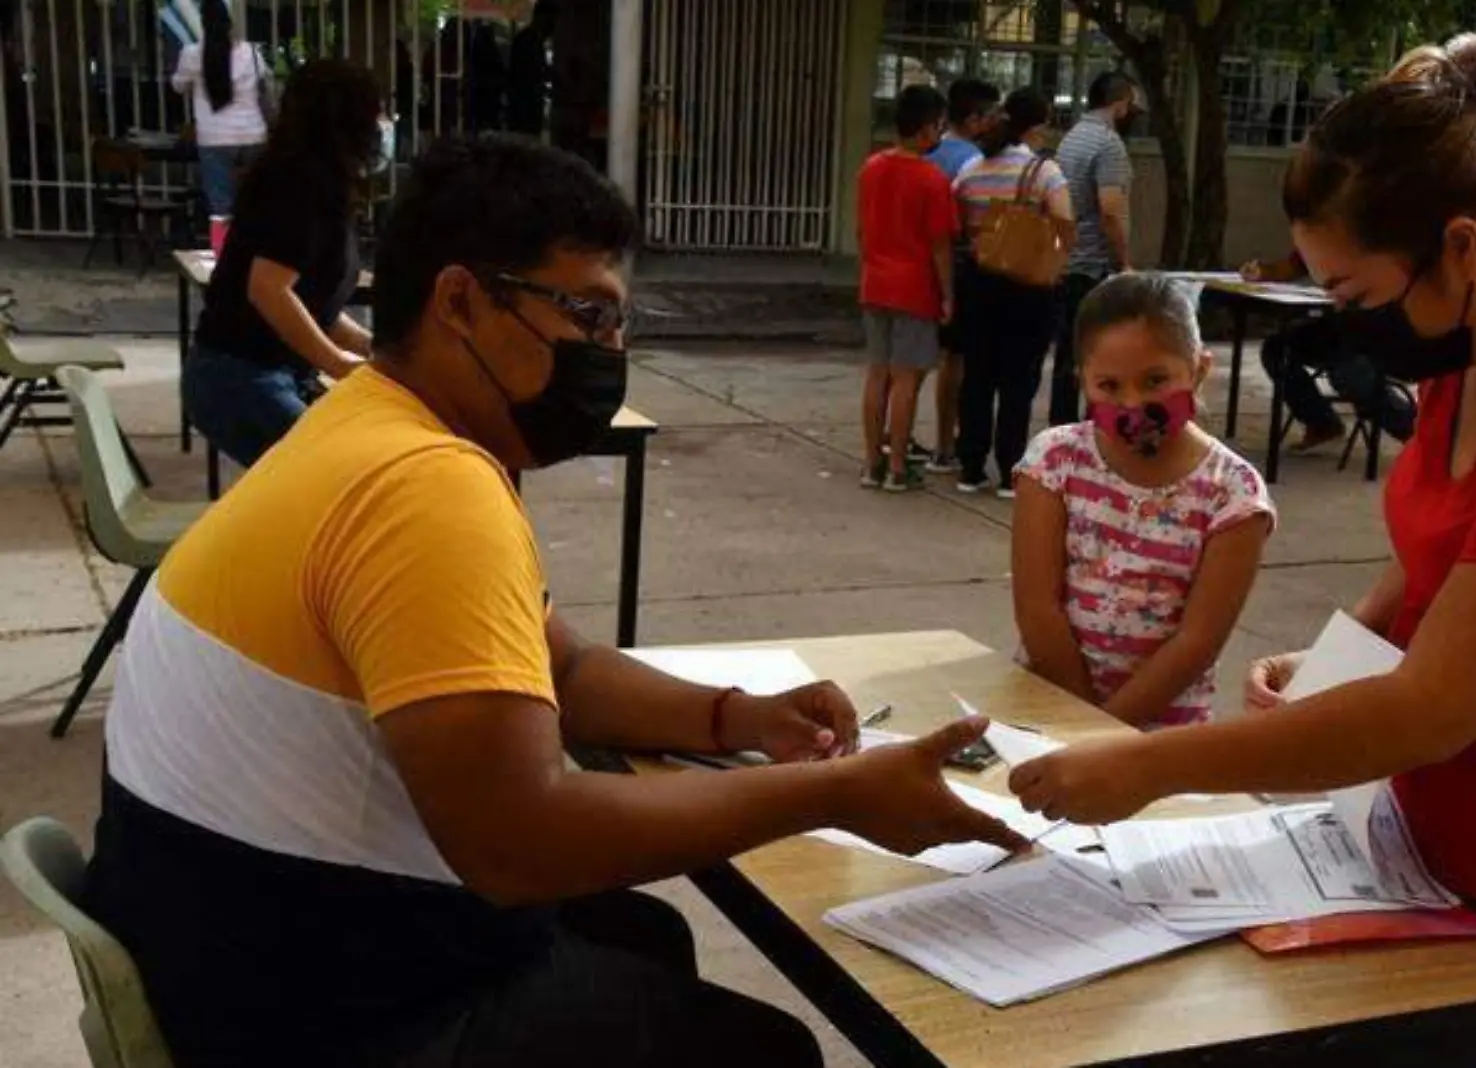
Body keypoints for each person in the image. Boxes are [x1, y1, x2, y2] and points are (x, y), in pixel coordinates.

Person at [84, 134, 1024, 1068]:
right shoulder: (423, 487)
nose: (608, 352)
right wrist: (828, 794)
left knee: (641, 940)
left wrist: (738, 718)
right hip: (308, 1011)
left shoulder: (364, 424)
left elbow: (561, 668)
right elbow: (520, 845)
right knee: (765, 1051)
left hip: (226, 932)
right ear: (459, 300)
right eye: (586, 315)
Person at [1007, 33, 1476, 1068]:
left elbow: (1429, 710)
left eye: (1357, 297)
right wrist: (1347, 644)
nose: (1352, 329)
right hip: (1431, 841)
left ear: (1462, 244)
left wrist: (1145, 768)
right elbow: (1453, 548)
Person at [1013, 273, 1273, 728]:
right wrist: (1084, 728)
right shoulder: (1054, 461)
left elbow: (1196, 642)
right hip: (1046, 710)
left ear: (1198, 369)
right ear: (1082, 381)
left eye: (1155, 380)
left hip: (1160, 737)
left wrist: (1109, 733)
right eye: (1109, 386)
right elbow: (1038, 609)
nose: (1133, 404)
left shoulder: (1233, 494)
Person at [181, 59, 391, 469]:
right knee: (338, 476)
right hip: (239, 377)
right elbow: (269, 289)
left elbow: (312, 307)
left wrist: (372, 348)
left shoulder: (319, 182)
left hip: (267, 373)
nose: (383, 123)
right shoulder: (299, 184)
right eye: (377, 111)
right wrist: (336, 362)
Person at [952, 87, 1075, 498]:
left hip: (979, 281)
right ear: (1037, 127)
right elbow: (1064, 221)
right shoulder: (1045, 173)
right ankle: (1010, 468)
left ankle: (970, 465)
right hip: (1028, 288)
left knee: (978, 376)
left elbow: (959, 222)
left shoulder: (971, 169)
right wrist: (1053, 259)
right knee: (1018, 381)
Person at [856, 84, 957, 492]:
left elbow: (861, 230)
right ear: (927, 128)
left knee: (877, 374)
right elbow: (940, 245)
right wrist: (948, 294)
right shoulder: (931, 180)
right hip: (914, 286)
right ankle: (898, 464)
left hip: (875, 281)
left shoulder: (871, 167)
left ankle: (870, 462)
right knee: (905, 379)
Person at [1241, 251, 1417, 451]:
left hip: (1380, 326)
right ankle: (1321, 423)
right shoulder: (1326, 233)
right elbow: (1296, 264)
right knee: (1277, 350)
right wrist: (1263, 271)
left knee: (1350, 374)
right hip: (1339, 323)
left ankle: (1417, 436)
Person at [1050, 72, 1142, 426]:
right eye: (1131, 105)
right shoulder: (1109, 145)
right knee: (1098, 357)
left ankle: (1060, 430)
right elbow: (1110, 210)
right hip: (1093, 266)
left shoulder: (1072, 138)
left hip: (1068, 260)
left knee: (1067, 355)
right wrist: (1124, 262)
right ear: (1120, 105)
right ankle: (1095, 433)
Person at [922, 77, 1002, 472]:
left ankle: (909, 438)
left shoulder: (926, 152)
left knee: (918, 359)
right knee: (957, 360)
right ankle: (947, 442)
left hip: (918, 264)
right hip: (957, 265)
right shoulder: (972, 160)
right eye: (990, 116)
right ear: (974, 119)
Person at [169, 0, 269, 220]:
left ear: (203, 24)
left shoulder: (192, 54)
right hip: (253, 134)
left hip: (214, 137)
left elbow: (178, 86)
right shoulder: (251, 52)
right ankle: (255, 251)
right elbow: (262, 82)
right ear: (229, 23)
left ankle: (224, 251)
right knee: (256, 204)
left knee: (220, 209)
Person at [507, 1, 556, 137]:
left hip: (526, 104)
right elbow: (530, 73)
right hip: (525, 105)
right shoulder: (529, 41)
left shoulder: (532, 40)